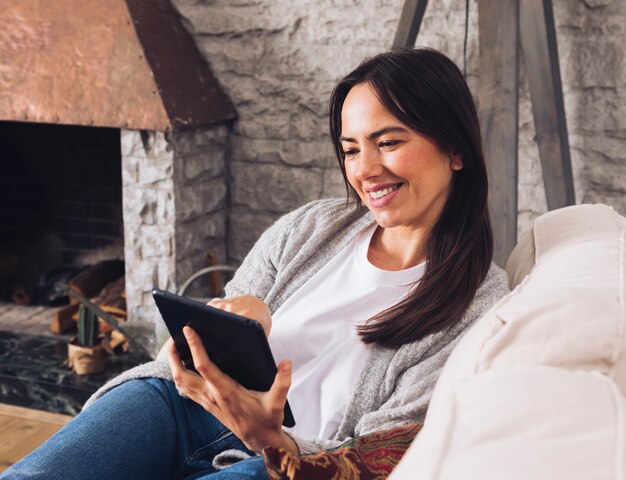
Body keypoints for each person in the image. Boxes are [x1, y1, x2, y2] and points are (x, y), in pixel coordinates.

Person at [2, 47, 510, 479]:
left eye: (389, 142)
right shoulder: (312, 226)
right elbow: (195, 347)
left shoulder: (479, 303)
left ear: (456, 149)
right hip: (182, 409)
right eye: (351, 150)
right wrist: (227, 323)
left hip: (282, 462)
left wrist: (271, 440)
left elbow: (382, 458)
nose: (365, 170)